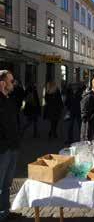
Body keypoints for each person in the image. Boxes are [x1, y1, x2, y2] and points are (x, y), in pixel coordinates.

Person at [0, 70, 21, 221]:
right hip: (3, 149)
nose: (14, 83)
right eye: (11, 81)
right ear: (2, 83)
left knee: (7, 184)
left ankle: (5, 212)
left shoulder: (8, 98)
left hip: (12, 147)